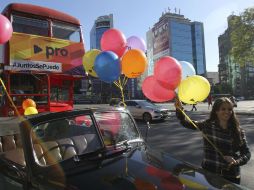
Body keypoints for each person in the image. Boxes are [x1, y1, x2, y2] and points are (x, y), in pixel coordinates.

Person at [175, 97, 251, 184]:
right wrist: (179, 109)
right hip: (209, 174)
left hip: (231, 176)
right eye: (223, 109)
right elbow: (186, 122)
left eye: (230, 109)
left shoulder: (238, 131)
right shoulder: (207, 125)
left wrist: (237, 161)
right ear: (216, 111)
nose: (227, 112)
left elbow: (246, 153)